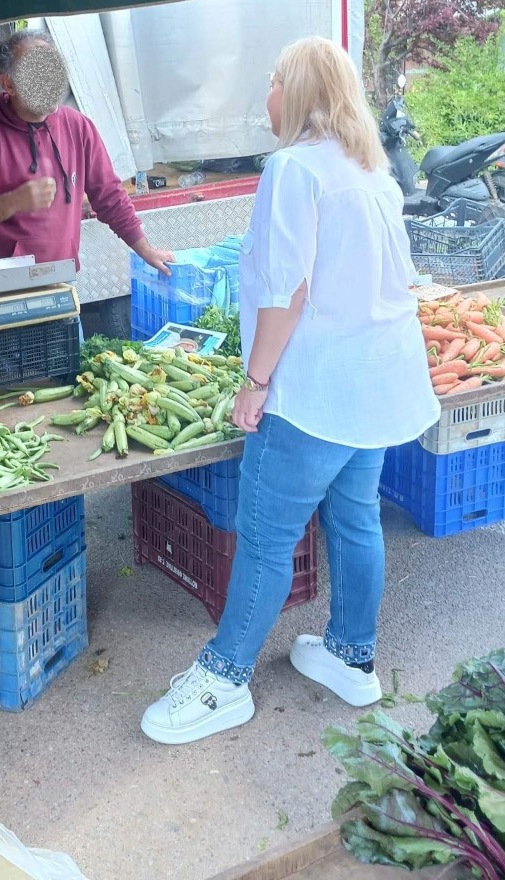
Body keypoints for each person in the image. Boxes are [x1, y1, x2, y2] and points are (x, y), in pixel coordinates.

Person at [140, 37, 439, 746]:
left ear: (298, 93)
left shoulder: (293, 169)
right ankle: (350, 656)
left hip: (315, 392)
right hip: (373, 386)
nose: (266, 96)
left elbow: (286, 292)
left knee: (268, 539)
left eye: (273, 82)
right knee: (356, 519)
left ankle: (223, 678)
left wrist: (255, 381)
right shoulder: (372, 175)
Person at [0, 29, 173, 275]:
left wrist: (146, 250)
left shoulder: (78, 126)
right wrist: (11, 202)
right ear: (8, 84)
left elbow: (109, 196)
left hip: (59, 279)